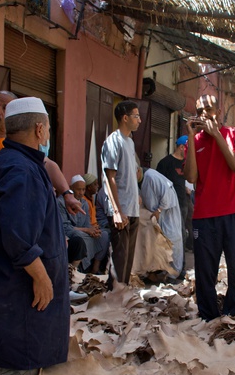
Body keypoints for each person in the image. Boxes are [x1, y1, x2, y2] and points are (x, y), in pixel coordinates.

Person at [0, 97, 71, 375]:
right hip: (22, 298)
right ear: (40, 128)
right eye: (47, 125)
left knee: (3, 365)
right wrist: (43, 277)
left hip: (8, 291)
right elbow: (18, 236)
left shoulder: (13, 161)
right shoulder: (21, 169)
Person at [184, 94, 235, 321]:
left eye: (208, 108)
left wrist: (216, 136)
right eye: (200, 109)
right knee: (204, 273)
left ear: (219, 111)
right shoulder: (193, 142)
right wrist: (192, 140)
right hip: (204, 216)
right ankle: (208, 317)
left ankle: (234, 314)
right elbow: (192, 177)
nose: (204, 113)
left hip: (234, 213)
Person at [101, 100, 142, 286]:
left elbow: (131, 173)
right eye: (136, 116)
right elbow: (109, 178)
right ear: (125, 118)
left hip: (132, 207)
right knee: (119, 259)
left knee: (127, 260)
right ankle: (113, 299)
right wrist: (117, 211)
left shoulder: (130, 142)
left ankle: (122, 298)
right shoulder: (113, 141)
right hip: (121, 209)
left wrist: (137, 193)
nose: (139, 120)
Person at [134, 167, 184, 279]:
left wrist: (159, 210)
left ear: (137, 170)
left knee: (172, 240)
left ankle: (174, 274)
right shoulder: (138, 182)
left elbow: (167, 193)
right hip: (155, 216)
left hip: (167, 214)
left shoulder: (151, 176)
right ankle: (158, 272)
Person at [59, 174, 109, 275]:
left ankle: (95, 269)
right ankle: (76, 271)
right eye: (78, 189)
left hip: (83, 232)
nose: (81, 193)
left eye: (83, 189)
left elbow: (87, 224)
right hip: (70, 233)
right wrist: (87, 230)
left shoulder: (84, 203)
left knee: (104, 235)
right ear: (71, 188)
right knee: (79, 237)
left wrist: (93, 231)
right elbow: (65, 227)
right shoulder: (61, 202)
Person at [156, 135, 192, 250]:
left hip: (184, 201)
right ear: (181, 147)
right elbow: (158, 184)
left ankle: (186, 253)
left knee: (189, 230)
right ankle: (177, 263)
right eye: (188, 148)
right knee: (176, 233)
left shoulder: (188, 163)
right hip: (170, 204)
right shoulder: (165, 163)